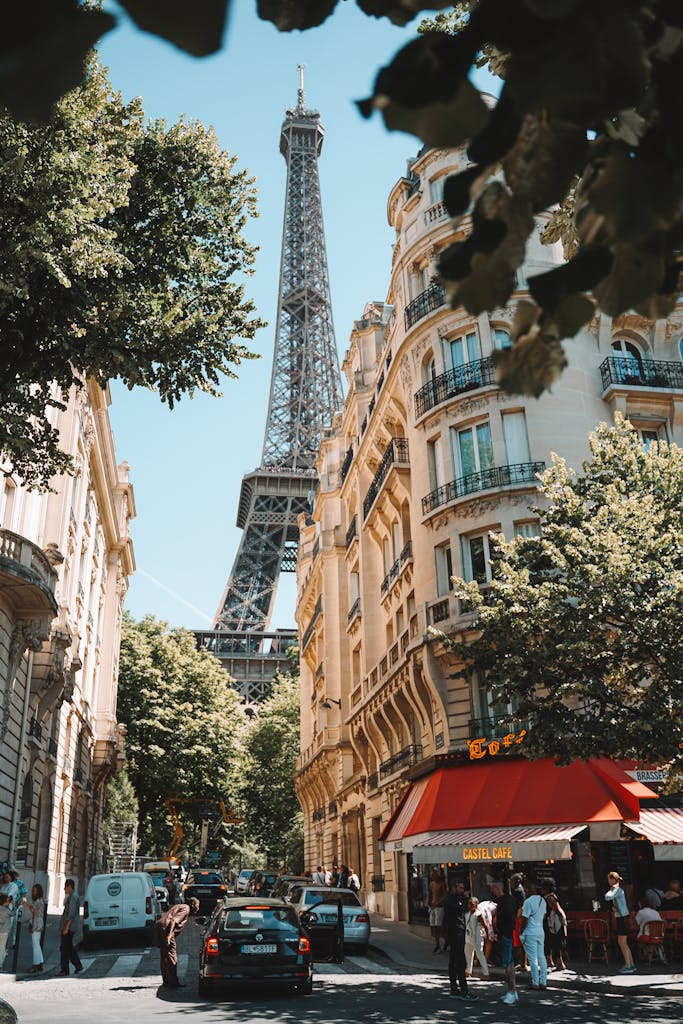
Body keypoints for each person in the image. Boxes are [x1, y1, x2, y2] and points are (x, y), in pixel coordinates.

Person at [443, 880, 478, 1001]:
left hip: (458, 931)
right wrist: (466, 900)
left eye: (463, 888)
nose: (462, 890)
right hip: (454, 932)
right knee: (459, 961)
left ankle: (455, 988)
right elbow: (461, 909)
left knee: (454, 960)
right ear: (453, 888)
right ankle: (463, 989)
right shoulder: (449, 900)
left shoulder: (458, 899)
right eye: (460, 888)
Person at [158, 897, 199, 987]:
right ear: (193, 904)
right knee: (172, 956)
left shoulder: (180, 905)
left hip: (160, 927)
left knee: (164, 955)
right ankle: (173, 982)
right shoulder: (186, 908)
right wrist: (169, 935)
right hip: (167, 930)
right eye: (197, 905)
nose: (198, 908)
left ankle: (166, 981)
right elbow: (173, 920)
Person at [491, 881, 518, 1005]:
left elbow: (507, 919)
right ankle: (512, 991)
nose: (492, 891)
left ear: (497, 888)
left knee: (508, 965)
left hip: (506, 934)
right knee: (508, 963)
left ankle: (511, 992)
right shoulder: (508, 900)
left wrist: (500, 931)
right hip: (506, 934)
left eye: (493, 889)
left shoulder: (505, 902)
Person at [605, 871, 635, 974]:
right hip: (623, 917)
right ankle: (631, 964)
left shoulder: (617, 889)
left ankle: (628, 965)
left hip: (622, 918)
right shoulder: (619, 889)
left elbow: (607, 897)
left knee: (622, 943)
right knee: (623, 943)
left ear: (613, 879)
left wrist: (611, 889)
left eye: (609, 879)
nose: (608, 881)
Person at [521, 882, 548, 990]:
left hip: (530, 931)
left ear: (528, 889)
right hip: (540, 931)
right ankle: (543, 982)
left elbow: (524, 919)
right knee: (541, 956)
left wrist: (521, 931)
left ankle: (535, 982)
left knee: (533, 959)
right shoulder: (543, 901)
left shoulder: (527, 902)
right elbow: (545, 916)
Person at [59, 878, 83, 976]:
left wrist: (66, 927)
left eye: (65, 887)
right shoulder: (73, 896)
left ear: (69, 886)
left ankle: (65, 969)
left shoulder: (73, 897)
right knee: (68, 947)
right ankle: (77, 965)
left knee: (65, 948)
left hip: (69, 927)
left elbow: (71, 914)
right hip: (70, 926)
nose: (64, 889)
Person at [464, 896, 490, 979]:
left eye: (472, 904)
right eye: (470, 904)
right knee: (468, 954)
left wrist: (487, 935)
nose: (471, 906)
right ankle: (468, 971)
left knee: (480, 955)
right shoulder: (467, 914)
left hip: (477, 938)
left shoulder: (479, 915)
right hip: (469, 938)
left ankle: (486, 973)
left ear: (476, 905)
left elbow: (485, 926)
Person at [635, 897, 666, 962]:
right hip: (659, 935)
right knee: (652, 941)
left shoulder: (641, 912)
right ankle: (654, 952)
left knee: (638, 940)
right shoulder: (655, 912)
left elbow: (637, 923)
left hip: (646, 936)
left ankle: (645, 954)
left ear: (640, 904)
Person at [544, 888, 567, 971]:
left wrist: (562, 919)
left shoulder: (550, 898)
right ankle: (550, 961)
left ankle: (560, 963)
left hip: (553, 923)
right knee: (550, 942)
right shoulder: (551, 896)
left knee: (555, 942)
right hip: (551, 922)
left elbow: (556, 909)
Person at [25, 884, 45, 973]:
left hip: (36, 923)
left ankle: (35, 964)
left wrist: (26, 905)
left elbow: (33, 910)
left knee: (35, 945)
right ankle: (40, 963)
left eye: (34, 891)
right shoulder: (39, 900)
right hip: (37, 923)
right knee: (36, 944)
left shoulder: (38, 901)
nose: (33, 892)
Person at [426, 867, 446, 953]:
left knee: (439, 926)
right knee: (433, 926)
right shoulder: (432, 884)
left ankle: (442, 943)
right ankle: (437, 944)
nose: (433, 876)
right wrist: (428, 902)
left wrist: (438, 902)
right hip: (433, 907)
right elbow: (430, 894)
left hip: (439, 907)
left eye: (434, 875)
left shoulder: (442, 884)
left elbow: (444, 895)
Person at [0, 895, 11, 969]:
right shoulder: (6, 910)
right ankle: (0, 963)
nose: (9, 902)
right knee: (2, 947)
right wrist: (13, 905)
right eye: (8, 901)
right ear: (4, 903)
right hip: (4, 931)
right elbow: (13, 913)